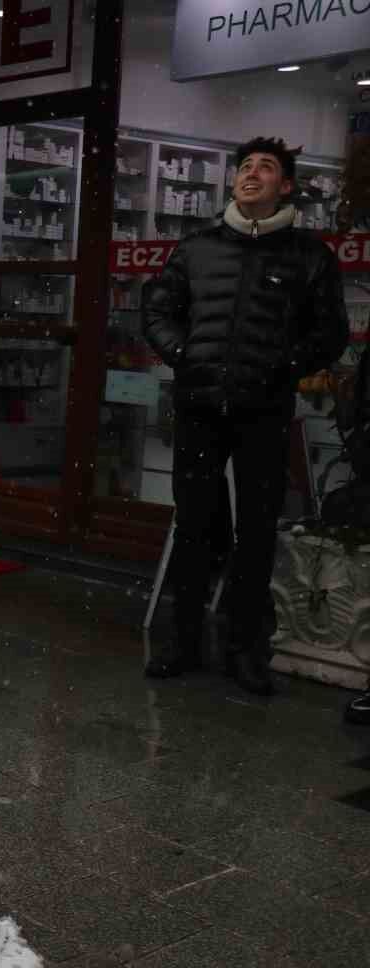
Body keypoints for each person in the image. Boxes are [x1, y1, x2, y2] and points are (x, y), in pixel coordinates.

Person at [143, 137, 349, 696]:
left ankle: (244, 649)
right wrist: (186, 357)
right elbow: (158, 312)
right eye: (245, 167)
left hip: (263, 409)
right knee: (194, 524)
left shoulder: (309, 256)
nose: (252, 174)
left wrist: (281, 365)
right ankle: (182, 642)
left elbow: (331, 334)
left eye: (266, 168)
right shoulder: (196, 247)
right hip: (200, 406)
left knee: (256, 531)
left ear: (287, 186)